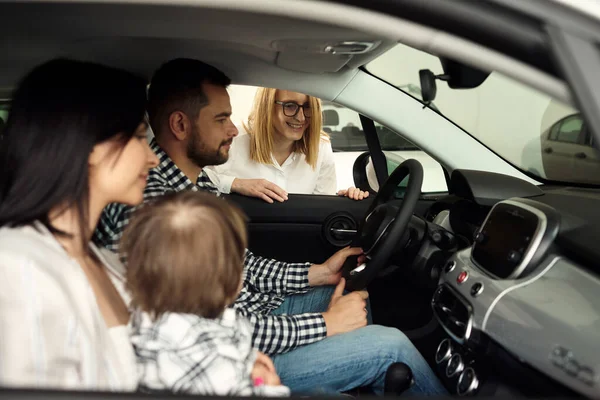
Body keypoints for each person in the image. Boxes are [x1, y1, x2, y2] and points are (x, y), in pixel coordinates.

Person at [95, 58, 446, 396]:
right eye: (221, 119)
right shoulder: (155, 213)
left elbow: (240, 264)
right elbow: (207, 331)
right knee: (392, 347)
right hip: (242, 355)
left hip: (253, 313)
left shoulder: (194, 184)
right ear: (180, 126)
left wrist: (316, 273)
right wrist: (326, 325)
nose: (233, 129)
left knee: (350, 294)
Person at [0, 58, 159, 390]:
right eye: (140, 136)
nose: (153, 158)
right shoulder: (17, 266)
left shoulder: (103, 260)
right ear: (91, 146)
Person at [121, 190, 290, 396]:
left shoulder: (149, 321)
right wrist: (270, 387)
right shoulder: (212, 359)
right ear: (233, 280)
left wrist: (248, 358)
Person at [204, 87, 369, 203]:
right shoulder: (232, 141)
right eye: (290, 106)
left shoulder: (321, 147)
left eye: (308, 107)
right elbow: (189, 184)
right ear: (267, 106)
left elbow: (321, 207)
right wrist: (236, 184)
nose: (301, 118)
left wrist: (344, 200)